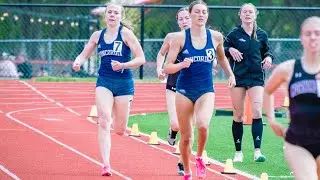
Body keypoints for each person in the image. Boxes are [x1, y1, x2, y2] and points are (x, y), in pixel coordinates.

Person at [164, 1, 236, 179]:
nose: (201, 15)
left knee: (203, 125)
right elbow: (167, 67)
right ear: (190, 15)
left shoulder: (216, 37)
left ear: (207, 15)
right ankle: (187, 170)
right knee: (186, 137)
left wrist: (231, 75)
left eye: (204, 12)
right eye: (197, 12)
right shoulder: (180, 38)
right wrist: (181, 64)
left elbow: (222, 58)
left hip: (206, 90)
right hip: (184, 90)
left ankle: (200, 157)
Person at [72, 2, 145, 176]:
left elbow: (141, 58)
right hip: (104, 81)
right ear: (105, 16)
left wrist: (124, 65)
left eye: (115, 13)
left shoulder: (126, 34)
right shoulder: (98, 35)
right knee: (104, 120)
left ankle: (116, 112)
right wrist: (78, 62)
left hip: (124, 84)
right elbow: (84, 54)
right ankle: (106, 165)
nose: (112, 15)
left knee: (119, 130)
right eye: (109, 12)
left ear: (121, 16)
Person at [264, 16, 320, 180]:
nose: (313, 37)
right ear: (301, 38)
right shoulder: (287, 68)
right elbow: (267, 91)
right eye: (308, 33)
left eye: (317, 33)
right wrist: (272, 120)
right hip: (297, 141)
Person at [224, 3, 273, 163]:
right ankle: (238, 152)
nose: (247, 14)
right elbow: (222, 49)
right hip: (238, 77)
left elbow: (267, 51)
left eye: (250, 12)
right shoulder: (233, 34)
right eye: (244, 12)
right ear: (240, 14)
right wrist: (229, 50)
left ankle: (257, 151)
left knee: (257, 111)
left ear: (255, 14)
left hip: (256, 77)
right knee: (238, 115)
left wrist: (268, 58)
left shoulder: (261, 34)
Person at [156, 7, 192, 176]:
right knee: (176, 124)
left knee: (189, 129)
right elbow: (161, 54)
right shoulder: (172, 37)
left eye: (187, 18)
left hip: (193, 86)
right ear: (178, 21)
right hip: (173, 84)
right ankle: (172, 131)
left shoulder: (202, 38)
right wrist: (159, 69)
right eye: (181, 19)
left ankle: (182, 163)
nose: (184, 21)